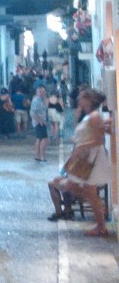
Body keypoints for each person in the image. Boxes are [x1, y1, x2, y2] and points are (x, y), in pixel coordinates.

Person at [48, 89, 111, 236]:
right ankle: (100, 219)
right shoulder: (89, 115)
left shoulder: (94, 116)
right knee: (78, 188)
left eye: (82, 97)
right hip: (85, 157)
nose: (78, 99)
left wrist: (80, 146)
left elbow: (98, 139)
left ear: (88, 100)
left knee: (81, 188)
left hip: (91, 158)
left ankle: (101, 225)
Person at [30, 85, 49, 163]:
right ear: (37, 92)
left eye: (43, 91)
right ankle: (42, 157)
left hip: (42, 121)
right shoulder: (36, 100)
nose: (42, 93)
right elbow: (32, 113)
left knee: (39, 138)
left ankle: (38, 156)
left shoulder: (42, 99)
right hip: (39, 122)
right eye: (40, 91)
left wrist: (45, 98)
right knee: (44, 139)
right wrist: (40, 121)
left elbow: (46, 107)